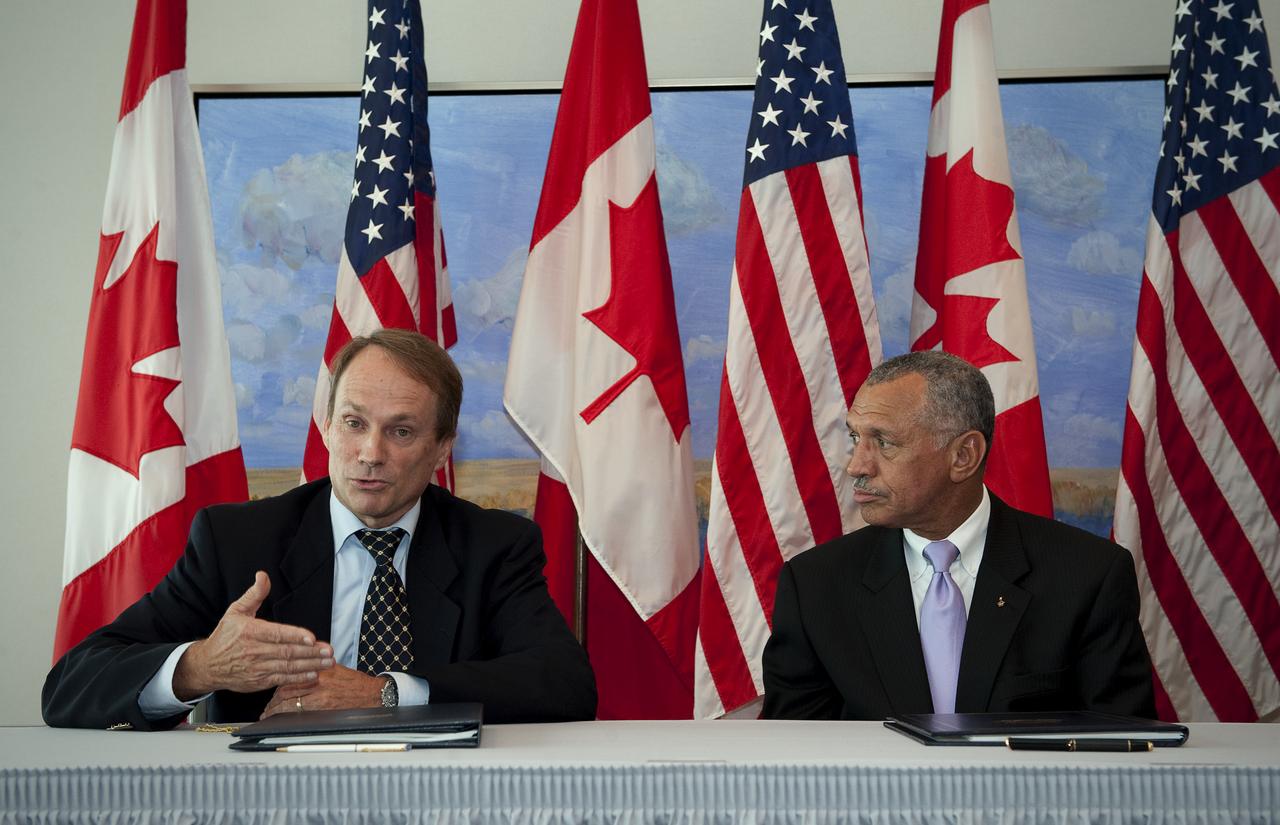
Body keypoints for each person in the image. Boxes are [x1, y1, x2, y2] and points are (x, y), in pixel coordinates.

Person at [44, 329, 596, 729]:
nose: (370, 454)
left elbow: (563, 683)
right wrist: (201, 666)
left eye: (400, 431)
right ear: (327, 426)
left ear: (442, 448)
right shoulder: (237, 541)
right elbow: (72, 685)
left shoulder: (493, 546)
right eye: (354, 423)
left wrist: (382, 693)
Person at [762, 351, 1155, 720]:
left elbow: (1122, 762)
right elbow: (798, 765)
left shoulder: (1088, 576)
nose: (856, 465)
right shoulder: (815, 587)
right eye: (855, 439)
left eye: (883, 442)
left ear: (964, 455)